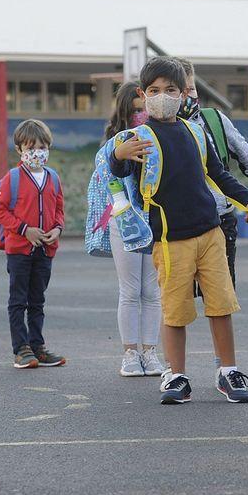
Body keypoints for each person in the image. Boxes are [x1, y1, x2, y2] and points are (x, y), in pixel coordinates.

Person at [110, 56, 248, 405]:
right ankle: (176, 374)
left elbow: (219, 173)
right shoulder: (138, 137)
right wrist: (120, 153)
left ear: (184, 94)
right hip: (169, 238)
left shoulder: (195, 131)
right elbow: (117, 168)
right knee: (175, 310)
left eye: (171, 90)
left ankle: (228, 371)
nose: (163, 96)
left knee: (220, 304)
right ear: (142, 94)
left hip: (211, 234)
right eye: (154, 90)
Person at [174, 57, 248, 287]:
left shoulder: (214, 120)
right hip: (175, 226)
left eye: (191, 88)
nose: (187, 95)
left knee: (222, 298)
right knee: (176, 302)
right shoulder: (154, 131)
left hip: (220, 220)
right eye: (179, 90)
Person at [99, 81, 163, 377]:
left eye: (144, 110)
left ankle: (150, 352)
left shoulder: (159, 139)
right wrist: (121, 154)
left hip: (155, 220)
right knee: (130, 290)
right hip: (124, 222)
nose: (141, 115)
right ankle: (129, 353)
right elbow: (105, 178)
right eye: (135, 111)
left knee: (152, 291)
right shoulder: (112, 144)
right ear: (124, 113)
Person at [0, 119, 66, 369]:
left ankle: (37, 346)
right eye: (31, 147)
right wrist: (25, 230)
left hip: (45, 250)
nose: (37, 152)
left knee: (38, 300)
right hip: (19, 250)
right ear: (19, 150)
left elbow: (59, 209)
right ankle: (20, 349)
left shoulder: (53, 178)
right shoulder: (11, 178)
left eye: (42, 146)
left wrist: (57, 228)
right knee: (18, 300)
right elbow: (0, 211)